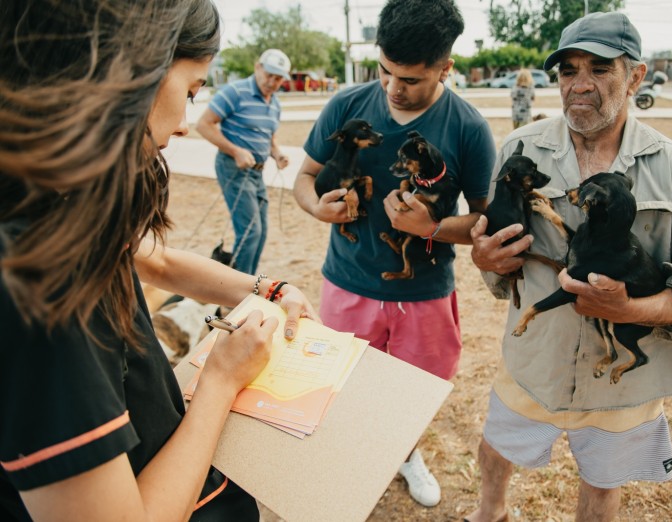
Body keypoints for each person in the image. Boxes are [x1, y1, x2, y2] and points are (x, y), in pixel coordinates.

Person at [0, 2, 317, 520]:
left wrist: (266, 289)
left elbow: (160, 263)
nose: (186, 124)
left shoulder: (52, 205)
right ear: (128, 76)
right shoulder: (44, 291)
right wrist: (219, 379)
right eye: (190, 91)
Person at [467, 12, 672, 522]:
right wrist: (486, 259)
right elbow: (495, 260)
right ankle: (490, 513)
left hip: (623, 380)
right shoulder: (520, 150)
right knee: (496, 446)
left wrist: (632, 307)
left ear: (635, 77)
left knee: (603, 482)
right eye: (569, 70)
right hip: (534, 359)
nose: (580, 85)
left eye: (599, 68)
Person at [292, 0, 496, 508]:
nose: (391, 88)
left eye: (408, 79)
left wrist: (434, 227)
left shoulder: (469, 127)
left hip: (423, 295)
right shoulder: (345, 105)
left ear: (446, 67)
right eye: (384, 71)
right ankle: (346, 460)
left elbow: (487, 223)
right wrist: (319, 209)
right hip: (347, 284)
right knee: (342, 391)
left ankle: (405, 454)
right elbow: (303, 179)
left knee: (408, 400)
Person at [196, 48, 292, 273]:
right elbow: (203, 124)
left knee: (262, 231)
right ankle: (239, 289)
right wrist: (235, 150)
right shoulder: (235, 92)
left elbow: (269, 138)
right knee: (250, 231)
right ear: (258, 67)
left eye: (278, 78)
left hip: (257, 172)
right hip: (233, 167)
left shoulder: (275, 104)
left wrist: (277, 153)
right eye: (269, 74)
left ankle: (247, 282)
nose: (272, 81)